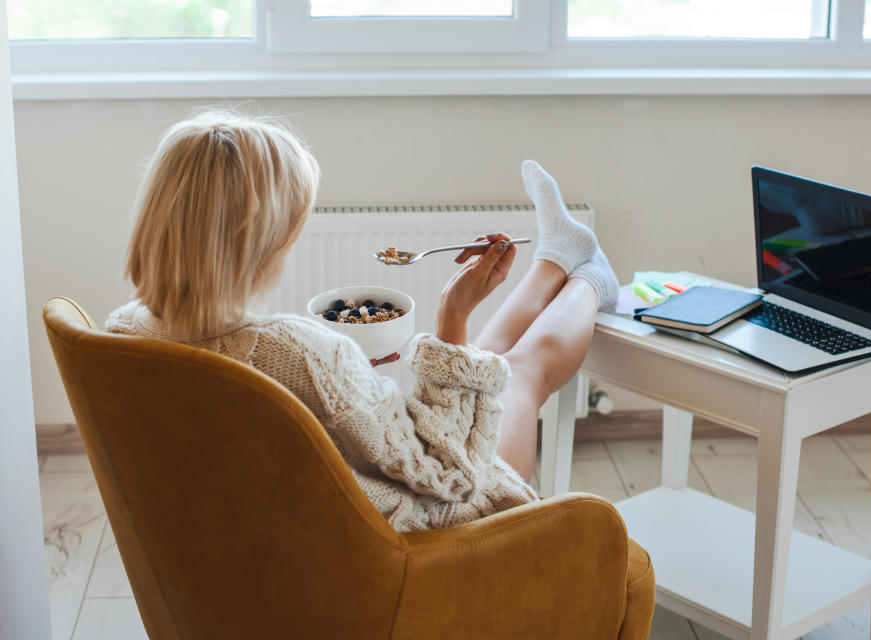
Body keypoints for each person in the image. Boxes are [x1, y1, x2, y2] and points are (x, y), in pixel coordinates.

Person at [106, 110, 619, 532]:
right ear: (259, 242)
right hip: (424, 537)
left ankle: (556, 255)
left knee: (483, 367)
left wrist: (360, 380)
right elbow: (449, 473)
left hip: (276, 538)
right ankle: (590, 276)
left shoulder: (123, 334)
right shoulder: (303, 353)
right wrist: (452, 315)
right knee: (521, 374)